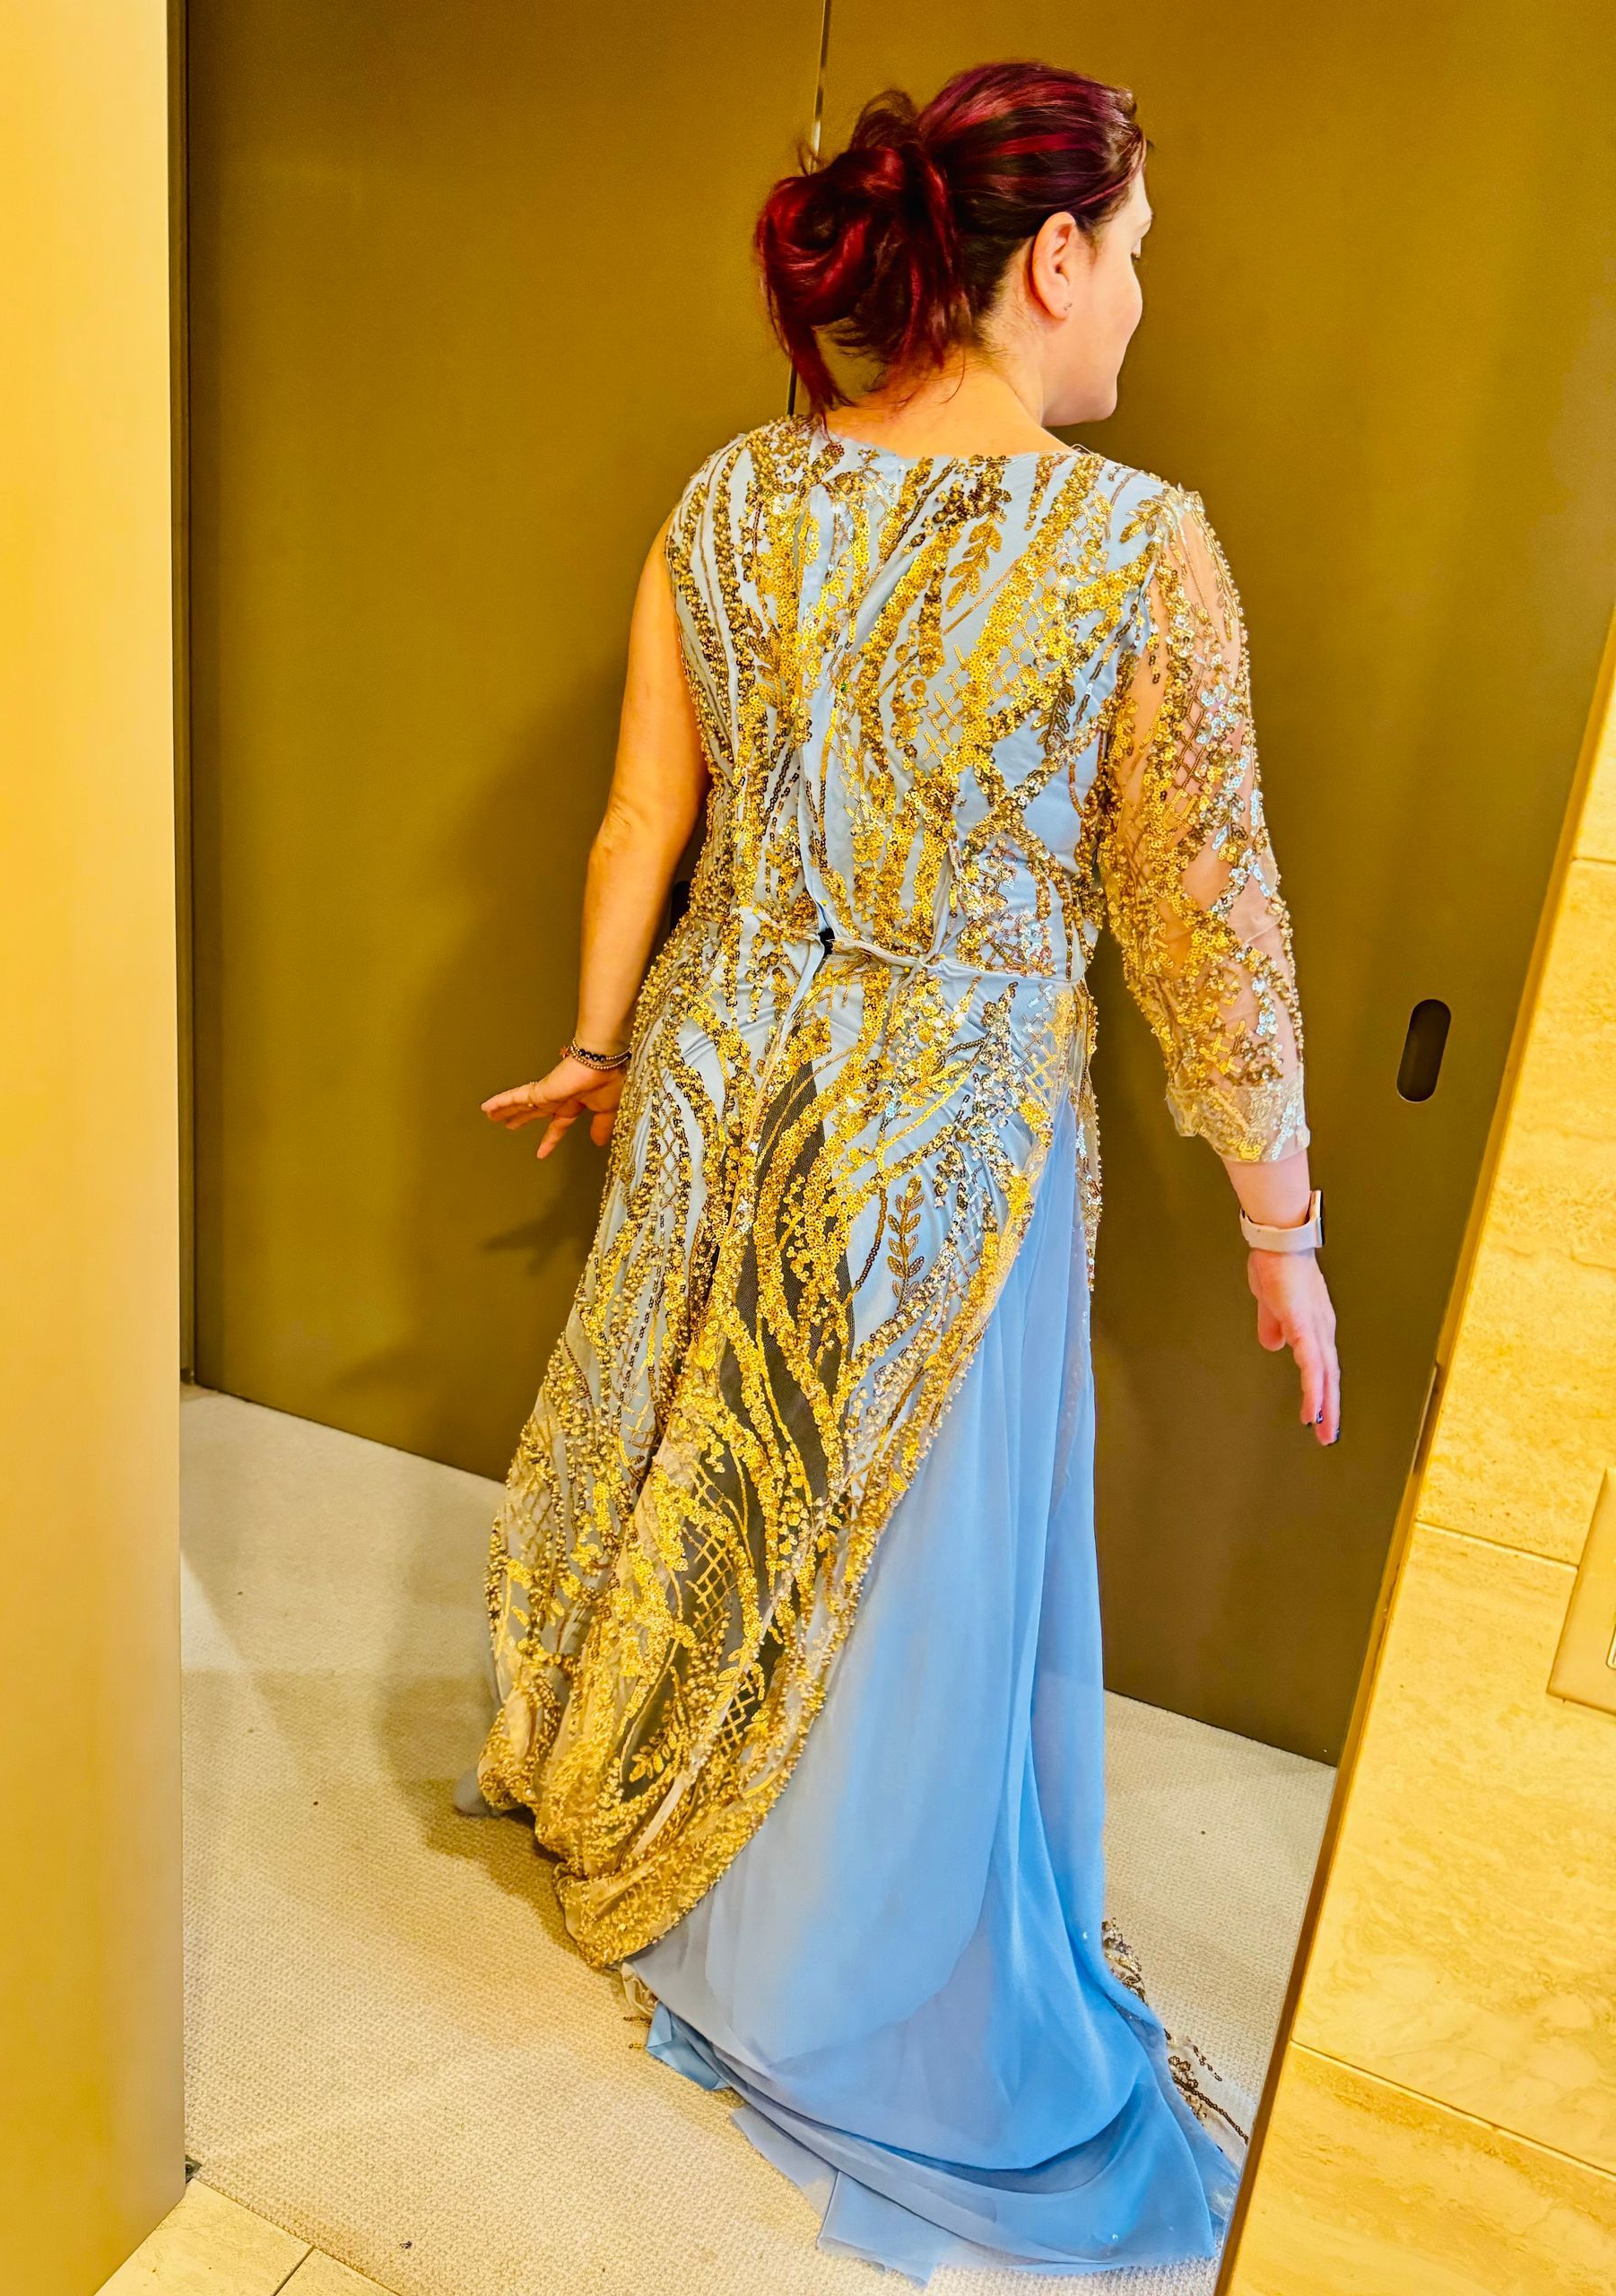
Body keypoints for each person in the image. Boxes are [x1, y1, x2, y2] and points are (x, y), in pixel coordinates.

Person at [463, 57, 1340, 2284]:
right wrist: (1283, 1223)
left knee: (712, 1485)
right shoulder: (1138, 545)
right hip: (940, 1143)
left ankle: (672, 1859)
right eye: (1136, 259)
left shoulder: (732, 498)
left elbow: (634, 826)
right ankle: (850, 1973)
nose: (1142, 309)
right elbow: (1206, 911)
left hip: (724, 1079)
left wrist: (589, 1039)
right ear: (1048, 261)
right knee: (899, 1576)